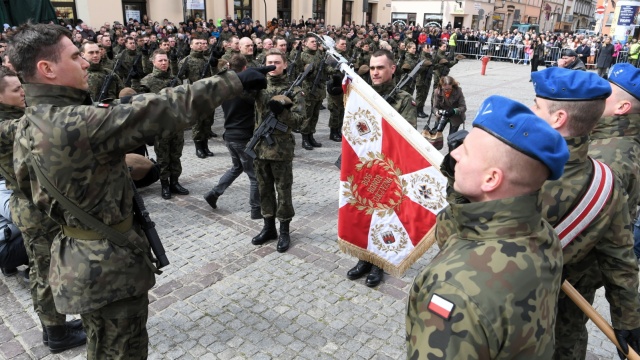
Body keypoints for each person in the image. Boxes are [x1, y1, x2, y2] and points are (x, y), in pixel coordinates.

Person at [8, 22, 266, 358]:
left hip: (77, 257)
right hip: (108, 267)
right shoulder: (75, 122)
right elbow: (160, 109)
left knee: (102, 346)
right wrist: (233, 80)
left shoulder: (30, 120)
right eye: (74, 56)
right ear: (47, 69)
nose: (85, 62)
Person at [407, 95, 569, 358]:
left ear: (492, 178)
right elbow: (465, 227)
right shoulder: (542, 233)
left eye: (466, 151)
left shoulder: (454, 289)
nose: (455, 153)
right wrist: (459, 179)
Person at [528, 67, 640, 360]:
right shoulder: (605, 164)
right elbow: (621, 253)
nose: (531, 110)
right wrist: (628, 320)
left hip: (542, 290)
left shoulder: (528, 173)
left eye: (536, 105)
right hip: (573, 282)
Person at [0, 65, 87, 353]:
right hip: (34, 208)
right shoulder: (6, 125)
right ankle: (56, 333)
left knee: (47, 269)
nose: (23, 93)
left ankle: (56, 328)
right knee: (47, 272)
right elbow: (43, 125)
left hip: (40, 204)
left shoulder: (17, 117)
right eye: (16, 90)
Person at [346, 49, 417, 287]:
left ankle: (380, 263)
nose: (375, 72)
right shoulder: (362, 94)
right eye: (373, 68)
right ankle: (364, 258)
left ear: (392, 69)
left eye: (381, 67)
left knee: (383, 217)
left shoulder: (404, 98)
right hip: (365, 166)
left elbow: (408, 137)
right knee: (365, 214)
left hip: (389, 169)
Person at [251, 49, 305, 253]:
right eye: (269, 62)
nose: (273, 65)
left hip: (281, 150)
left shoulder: (295, 90)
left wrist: (282, 111)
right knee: (264, 190)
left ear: (285, 65)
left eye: (277, 62)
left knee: (283, 191)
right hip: (259, 148)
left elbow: (300, 121)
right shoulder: (259, 87)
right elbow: (240, 94)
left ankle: (284, 231)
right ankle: (268, 228)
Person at [588, 63, 640, 265]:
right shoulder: (623, 139)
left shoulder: (607, 157)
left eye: (604, 94)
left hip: (576, 274)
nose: (596, 97)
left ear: (622, 107)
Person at [204, 54, 262, 220]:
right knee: (254, 175)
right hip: (242, 137)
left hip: (229, 135)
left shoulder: (226, 88)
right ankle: (255, 209)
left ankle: (214, 193)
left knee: (237, 168)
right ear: (245, 68)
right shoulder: (245, 91)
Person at [140, 49, 189, 199]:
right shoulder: (147, 81)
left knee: (176, 154)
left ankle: (175, 182)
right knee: (162, 157)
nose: (163, 63)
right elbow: (143, 105)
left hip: (176, 124)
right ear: (153, 62)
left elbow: (183, 102)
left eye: (165, 60)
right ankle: (165, 184)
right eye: (160, 60)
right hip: (160, 126)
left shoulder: (176, 80)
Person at [178, 36, 215, 158]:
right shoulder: (187, 60)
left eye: (201, 43)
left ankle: (206, 146)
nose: (200, 45)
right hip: (195, 95)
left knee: (207, 121)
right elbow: (178, 77)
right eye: (197, 43)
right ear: (191, 46)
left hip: (208, 95)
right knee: (197, 123)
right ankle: (199, 148)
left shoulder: (206, 59)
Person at [297, 34, 329, 150]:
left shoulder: (319, 55)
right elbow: (299, 72)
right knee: (307, 116)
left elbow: (325, 69)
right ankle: (305, 138)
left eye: (316, 42)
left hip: (319, 90)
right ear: (305, 43)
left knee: (315, 115)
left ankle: (311, 136)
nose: (315, 43)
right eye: (312, 42)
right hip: (308, 89)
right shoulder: (302, 56)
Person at [0, 178, 29, 277]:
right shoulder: (1, 189)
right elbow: (17, 216)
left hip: (3, 249)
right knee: (44, 229)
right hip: (5, 252)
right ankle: (36, 270)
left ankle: (8, 267)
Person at [326, 36, 348, 142]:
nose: (344, 46)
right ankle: (333, 132)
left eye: (345, 44)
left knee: (341, 110)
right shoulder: (333, 55)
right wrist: (337, 67)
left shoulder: (345, 55)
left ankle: (339, 130)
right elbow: (328, 68)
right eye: (342, 44)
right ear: (336, 45)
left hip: (343, 86)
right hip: (334, 85)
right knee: (335, 111)